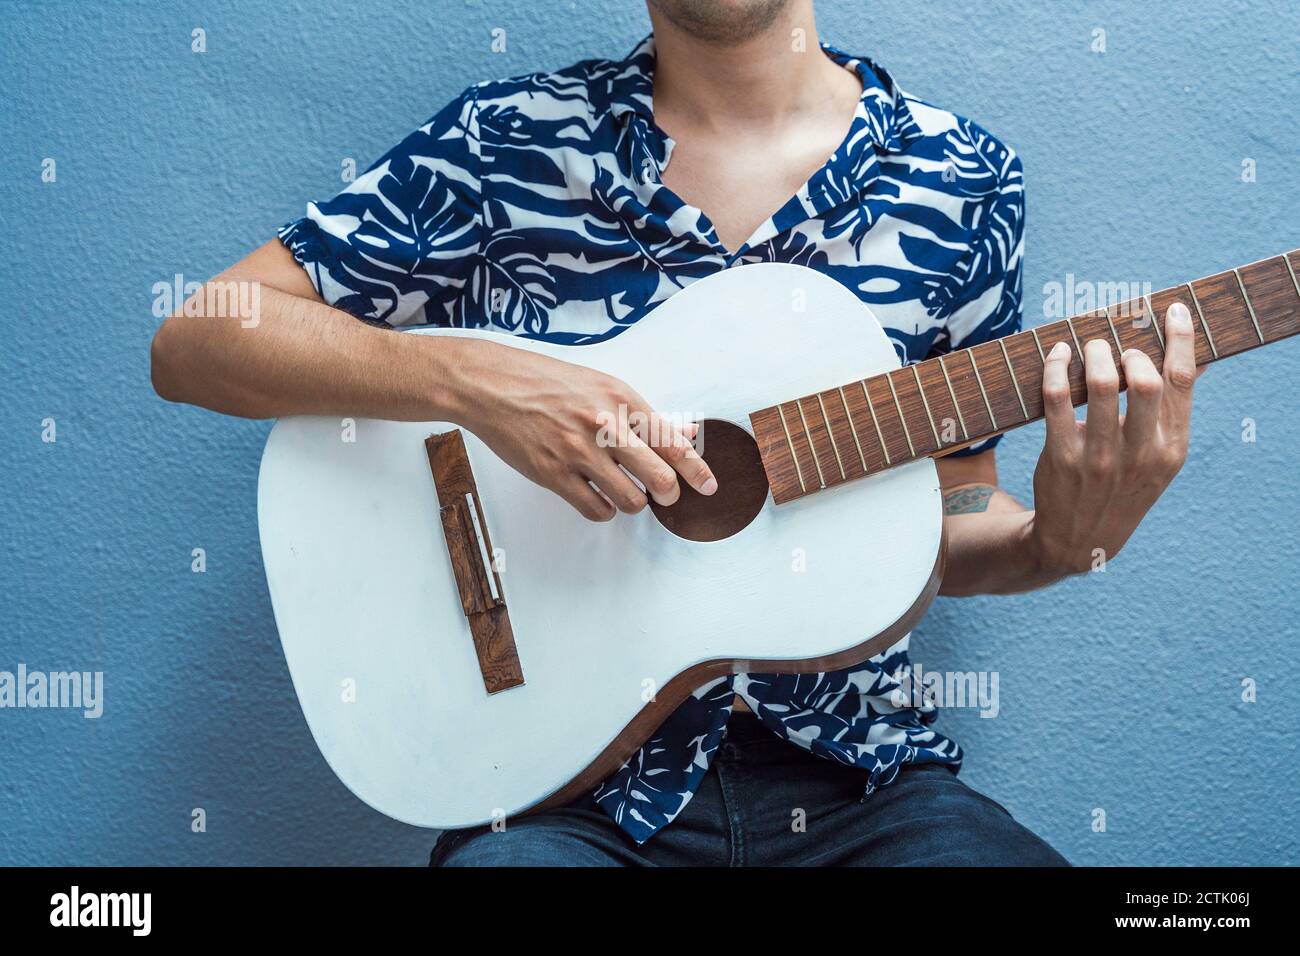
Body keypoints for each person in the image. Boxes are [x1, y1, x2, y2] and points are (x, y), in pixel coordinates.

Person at [151, 0, 1200, 866]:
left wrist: (1052, 544)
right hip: (565, 790)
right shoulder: (501, 145)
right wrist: (477, 382)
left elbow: (957, 504)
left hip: (863, 782)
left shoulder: (963, 181)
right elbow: (197, 340)